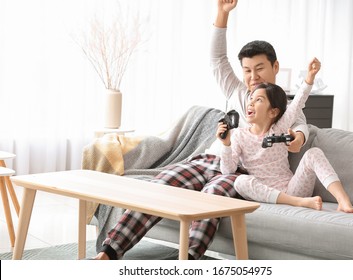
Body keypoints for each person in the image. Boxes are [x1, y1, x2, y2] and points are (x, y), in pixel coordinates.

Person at [90, 0, 309, 260]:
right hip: (209, 159)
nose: (253, 77)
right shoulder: (239, 93)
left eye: (260, 68)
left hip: (239, 171)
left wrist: (298, 139)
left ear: (275, 67)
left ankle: (190, 261)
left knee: (211, 197)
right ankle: (109, 252)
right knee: (161, 185)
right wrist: (222, 14)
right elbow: (217, 60)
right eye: (247, 70)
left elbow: (299, 127)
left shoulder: (284, 108)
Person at [217, 57, 353, 213]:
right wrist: (226, 145)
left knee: (314, 153)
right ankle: (297, 203)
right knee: (240, 181)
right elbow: (227, 171)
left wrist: (309, 78)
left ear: (273, 112)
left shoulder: (279, 129)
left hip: (294, 188)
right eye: (251, 99)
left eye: (258, 100)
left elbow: (298, 104)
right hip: (267, 193)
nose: (250, 103)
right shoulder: (238, 136)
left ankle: (343, 200)